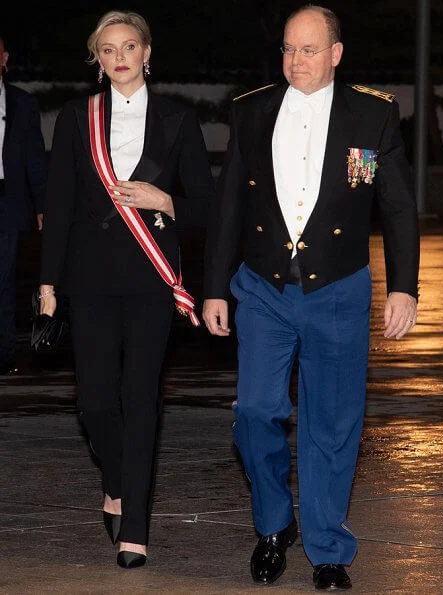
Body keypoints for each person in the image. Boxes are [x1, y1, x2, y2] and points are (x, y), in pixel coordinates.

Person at [203, 4, 419, 591]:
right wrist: (214, 288)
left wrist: (403, 286)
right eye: (288, 49)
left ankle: (328, 550)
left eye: (307, 50)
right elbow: (229, 208)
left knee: (332, 423)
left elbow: (396, 207)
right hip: (263, 287)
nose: (294, 60)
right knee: (254, 411)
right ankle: (274, 525)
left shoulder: (373, 115)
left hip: (339, 291)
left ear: (335, 54)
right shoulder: (250, 111)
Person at [39, 10, 215, 568]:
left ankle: (134, 525)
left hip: (150, 278)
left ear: (146, 53)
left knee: (140, 399)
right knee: (94, 402)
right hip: (88, 280)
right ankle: (116, 481)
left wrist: (165, 202)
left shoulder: (178, 120)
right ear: (98, 59)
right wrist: (47, 286)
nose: (119, 57)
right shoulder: (75, 117)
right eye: (108, 49)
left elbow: (207, 207)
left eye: (129, 46)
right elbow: (60, 205)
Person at [0, 34, 48, 375]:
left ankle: (3, 355)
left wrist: (44, 204)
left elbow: (35, 159)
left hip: (7, 200)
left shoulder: (22, 104)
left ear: (4, 58)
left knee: (3, 280)